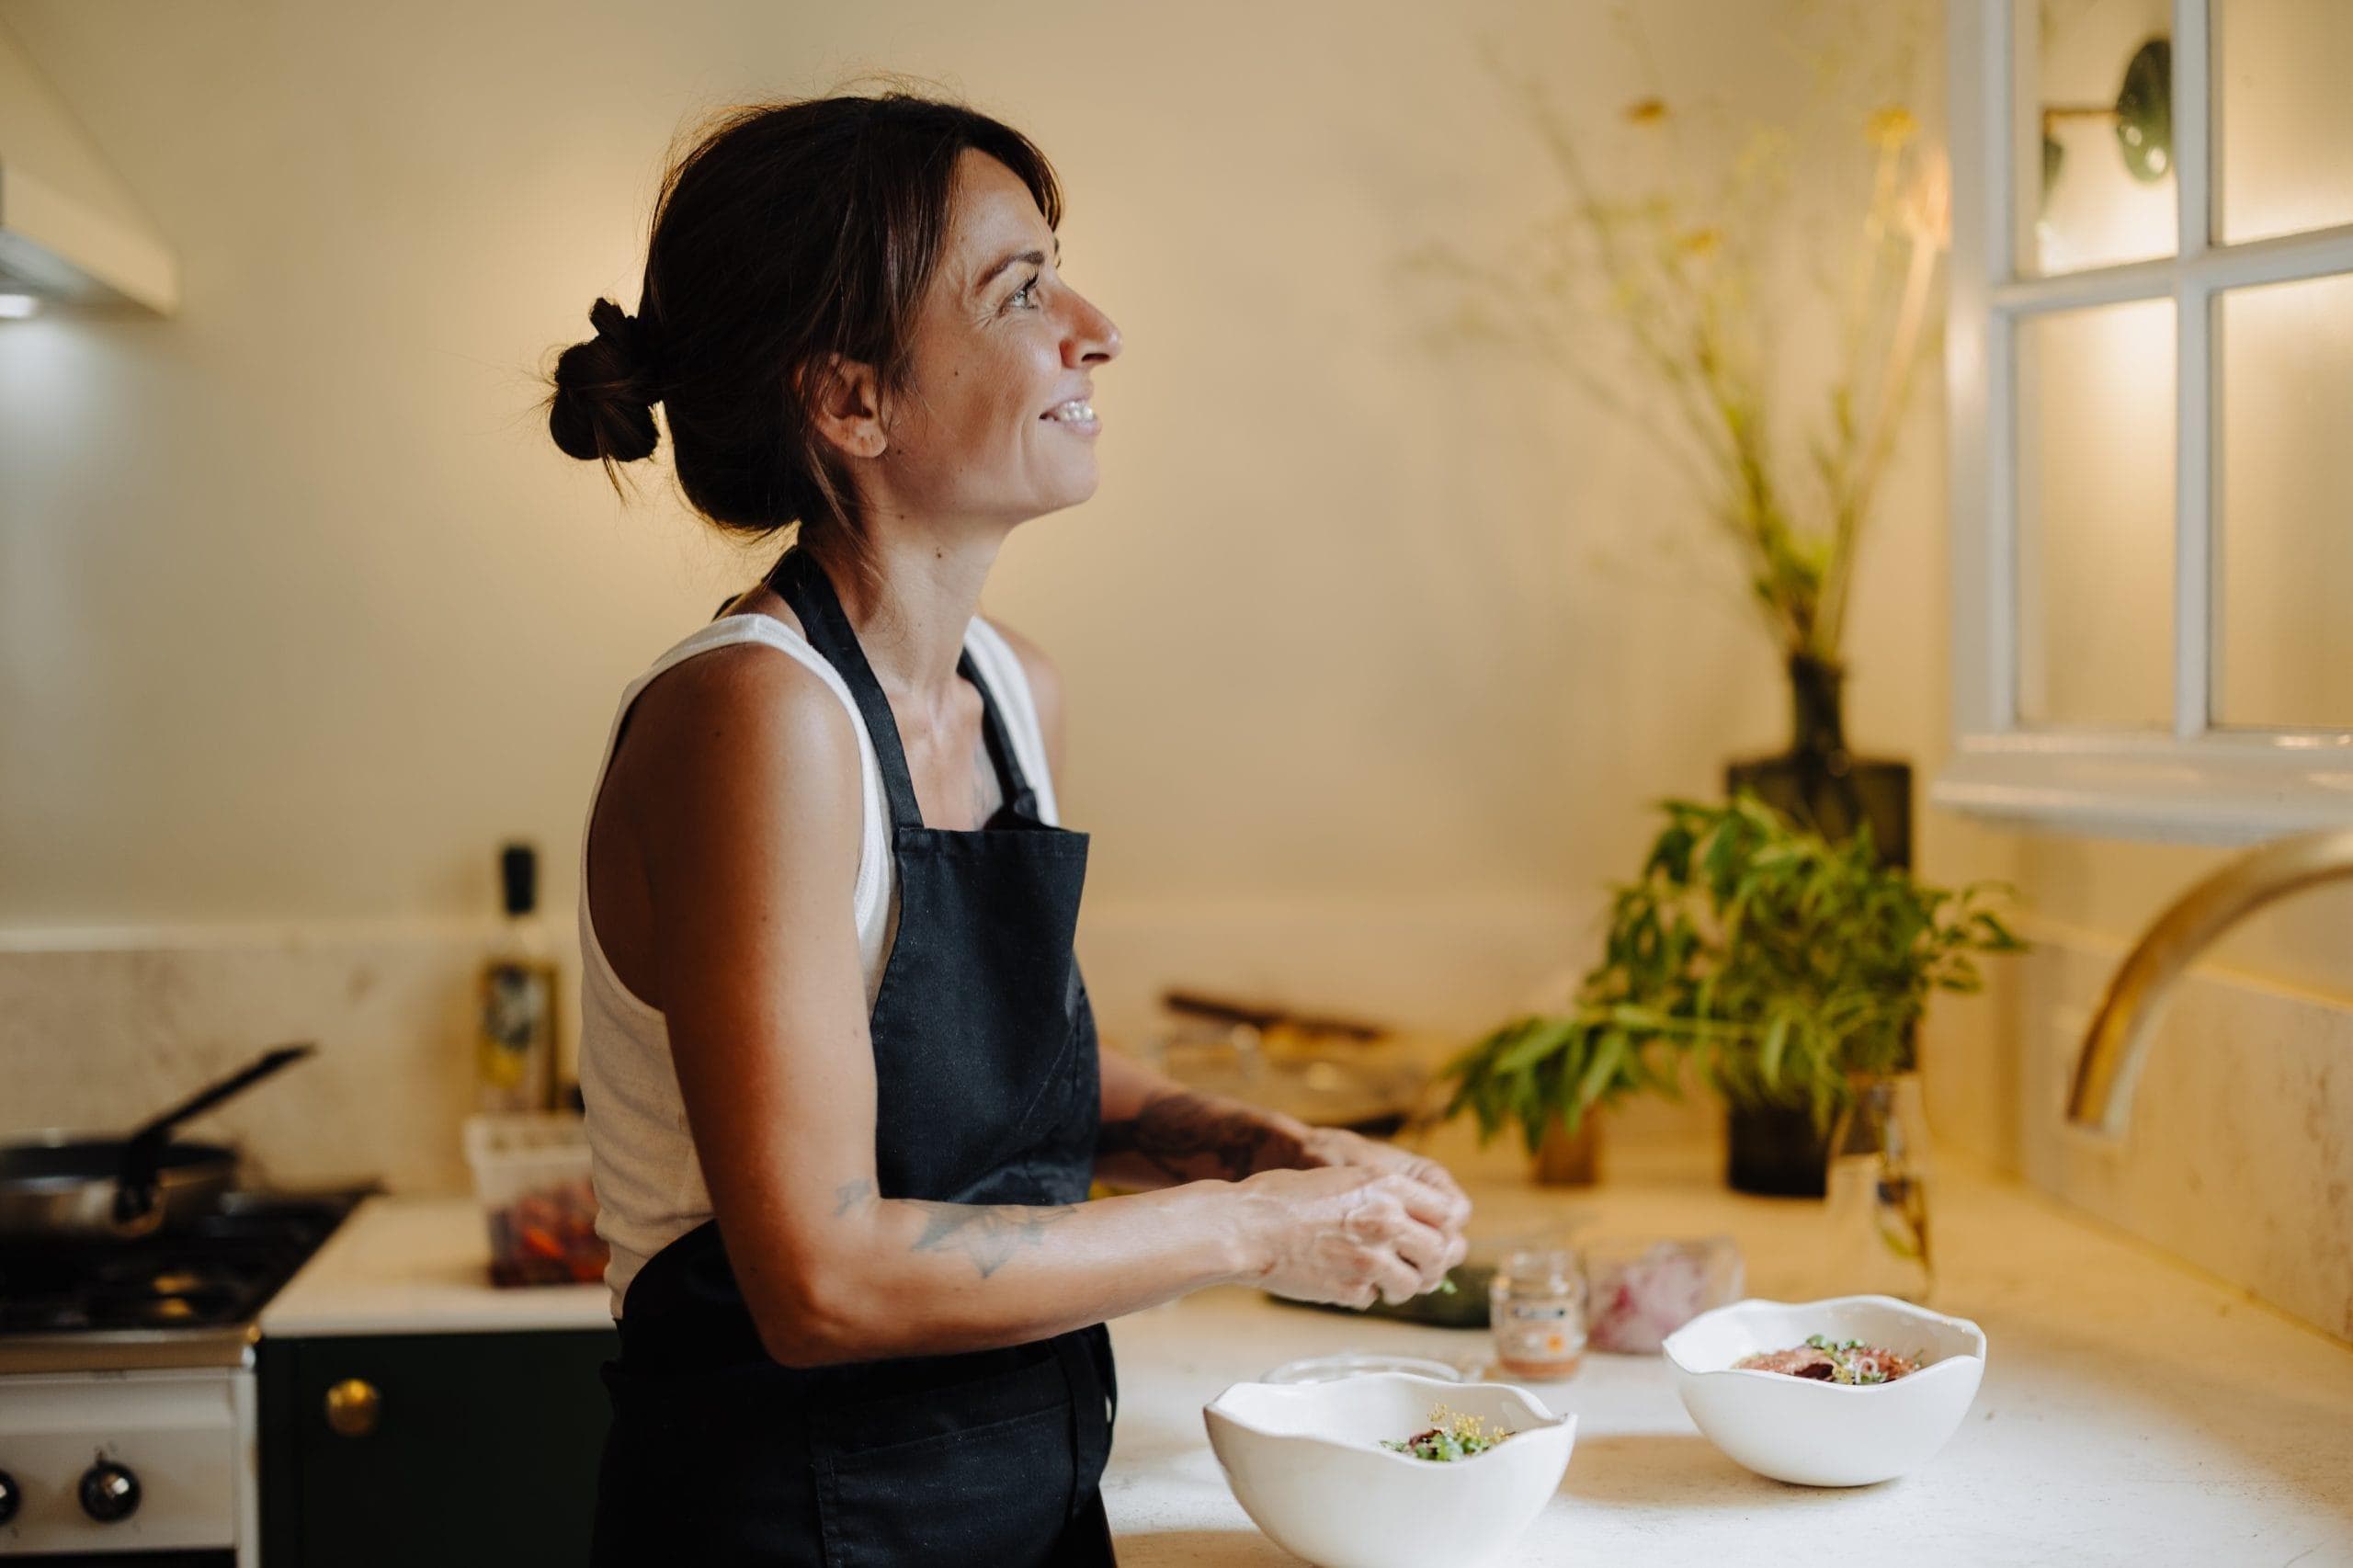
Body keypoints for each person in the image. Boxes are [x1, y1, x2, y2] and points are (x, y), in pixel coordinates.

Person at [545, 90, 1473, 1567]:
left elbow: (989, 1071)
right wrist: (1256, 1229)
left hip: (1028, 1494)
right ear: (852, 401)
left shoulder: (1012, 693)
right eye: (1024, 291)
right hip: (792, 1524)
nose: (1095, 331)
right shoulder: (755, 719)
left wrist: (1244, 1146)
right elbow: (823, 1277)